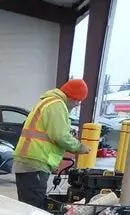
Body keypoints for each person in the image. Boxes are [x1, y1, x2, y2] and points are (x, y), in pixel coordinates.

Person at [13, 79, 92, 208]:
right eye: (77, 100)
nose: (77, 104)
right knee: (33, 207)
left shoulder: (48, 102)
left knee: (27, 206)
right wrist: (79, 147)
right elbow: (60, 135)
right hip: (35, 162)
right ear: (71, 96)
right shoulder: (57, 105)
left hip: (29, 160)